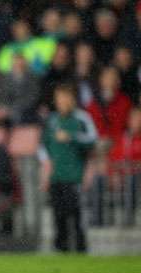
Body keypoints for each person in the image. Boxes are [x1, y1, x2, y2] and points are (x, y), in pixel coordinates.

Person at [41, 84, 97, 252]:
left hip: (75, 176)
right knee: (59, 216)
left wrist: (72, 137)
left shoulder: (82, 118)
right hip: (56, 176)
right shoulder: (52, 120)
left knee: (76, 215)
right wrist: (46, 167)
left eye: (65, 98)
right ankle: (61, 249)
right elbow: (43, 145)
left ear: (72, 99)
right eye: (59, 99)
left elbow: (93, 140)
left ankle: (80, 249)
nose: (62, 102)